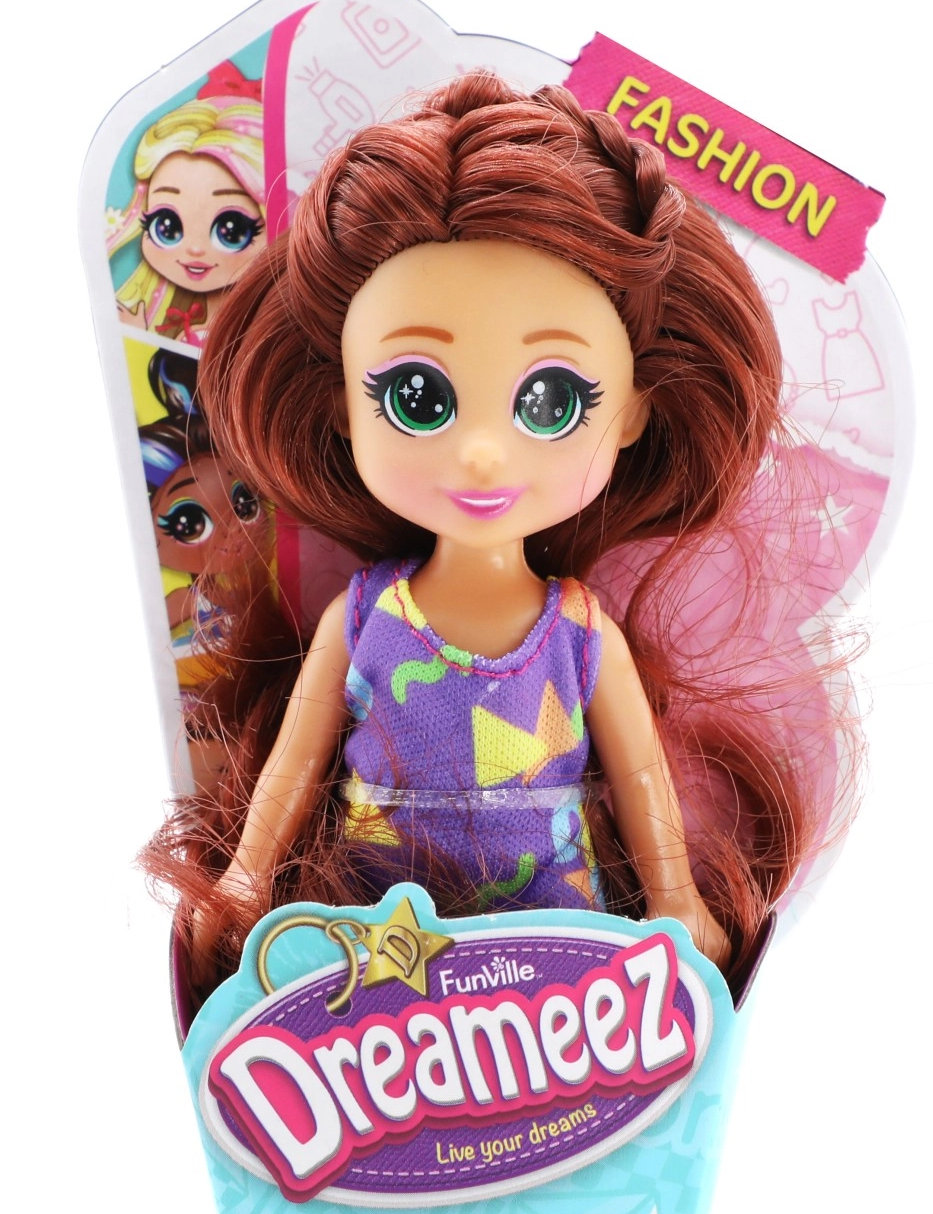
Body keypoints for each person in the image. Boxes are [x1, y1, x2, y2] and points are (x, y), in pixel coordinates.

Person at [149, 72, 833, 991]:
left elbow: (641, 779)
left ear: (633, 410)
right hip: (374, 922)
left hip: (552, 931)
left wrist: (676, 897)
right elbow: (293, 770)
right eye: (418, 396)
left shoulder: (579, 632)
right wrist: (244, 875)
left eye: (550, 400)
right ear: (343, 404)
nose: (480, 452)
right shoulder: (364, 618)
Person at [107, 62, 264, 343]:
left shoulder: (261, 330)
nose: (194, 250)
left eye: (232, 231)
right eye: (166, 226)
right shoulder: (174, 320)